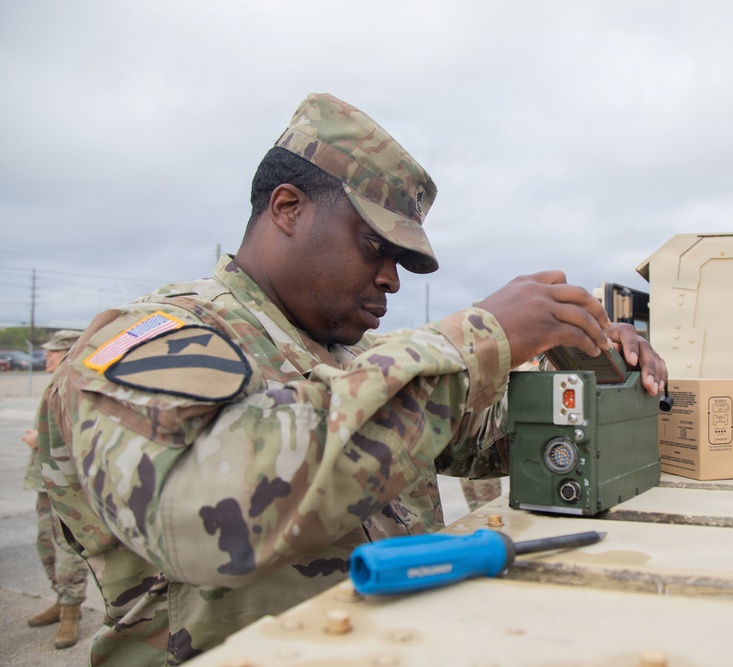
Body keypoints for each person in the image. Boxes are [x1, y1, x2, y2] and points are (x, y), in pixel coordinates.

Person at [35, 93, 668, 665]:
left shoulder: (351, 353)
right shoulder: (156, 340)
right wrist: (476, 338)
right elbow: (205, 521)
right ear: (288, 208)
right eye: (374, 246)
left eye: (401, 260)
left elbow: (488, 442)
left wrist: (585, 366)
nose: (393, 278)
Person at [21, 329, 89, 649]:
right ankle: (61, 602)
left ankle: (72, 613)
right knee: (45, 544)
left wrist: (39, 440)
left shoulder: (76, 383)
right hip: (46, 478)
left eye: (53, 351)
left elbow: (82, 433)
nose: (46, 356)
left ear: (68, 352)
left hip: (65, 482)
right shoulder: (56, 381)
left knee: (66, 550)